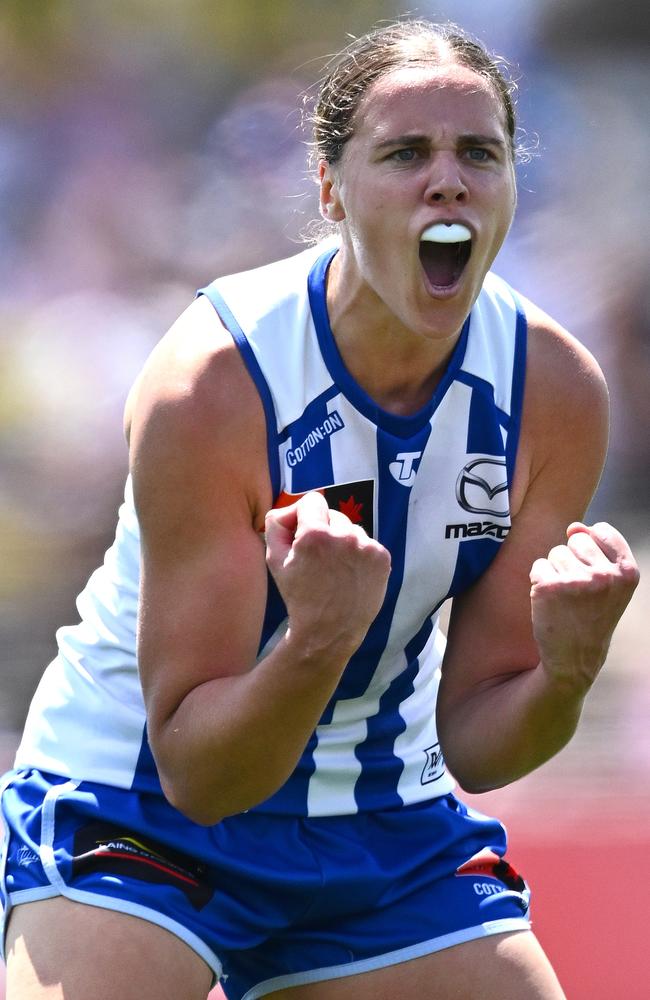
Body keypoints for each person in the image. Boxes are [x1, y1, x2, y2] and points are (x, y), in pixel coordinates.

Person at [0, 18, 639, 1000]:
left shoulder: (551, 390)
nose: (445, 180)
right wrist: (315, 640)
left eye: (478, 152)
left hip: (375, 813)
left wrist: (567, 668)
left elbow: (473, 740)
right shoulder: (216, 382)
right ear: (329, 188)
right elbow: (198, 774)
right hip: (140, 805)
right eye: (403, 153)